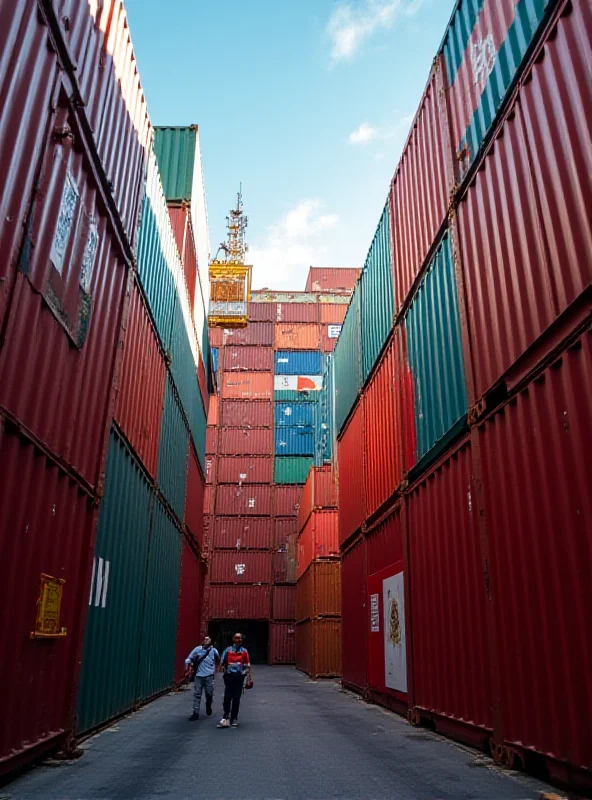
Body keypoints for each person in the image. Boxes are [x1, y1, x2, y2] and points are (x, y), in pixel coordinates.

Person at [217, 632, 251, 728]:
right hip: (229, 677)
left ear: (241, 640)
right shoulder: (228, 650)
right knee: (227, 697)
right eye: (236, 638)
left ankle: (234, 718)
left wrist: (246, 675)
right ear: (233, 639)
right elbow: (222, 663)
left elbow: (247, 664)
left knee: (236, 699)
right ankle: (226, 717)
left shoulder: (244, 651)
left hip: (239, 677)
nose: (238, 640)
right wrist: (223, 669)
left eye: (240, 638)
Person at [185, 636, 220, 721]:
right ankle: (195, 713)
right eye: (205, 639)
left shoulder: (214, 651)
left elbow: (218, 659)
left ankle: (208, 705)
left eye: (208, 639)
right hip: (198, 676)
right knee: (197, 694)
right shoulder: (197, 649)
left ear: (211, 641)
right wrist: (187, 668)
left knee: (209, 693)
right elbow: (189, 658)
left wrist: (217, 669)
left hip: (209, 676)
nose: (206, 640)